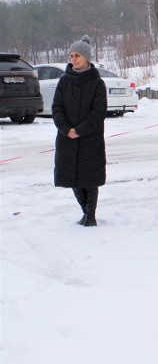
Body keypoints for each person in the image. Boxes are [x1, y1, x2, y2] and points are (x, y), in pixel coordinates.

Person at [52, 35, 107, 227]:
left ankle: (90, 215)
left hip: (90, 138)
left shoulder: (97, 83)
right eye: (71, 55)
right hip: (67, 138)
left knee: (90, 178)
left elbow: (98, 112)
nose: (73, 59)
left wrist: (80, 130)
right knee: (72, 177)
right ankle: (84, 211)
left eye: (77, 55)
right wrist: (67, 130)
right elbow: (56, 108)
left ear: (86, 58)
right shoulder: (64, 82)